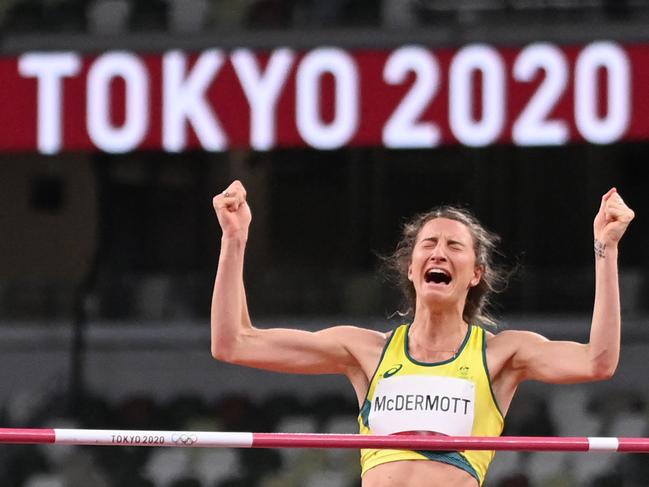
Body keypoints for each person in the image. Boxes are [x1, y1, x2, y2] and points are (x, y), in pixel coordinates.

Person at [210, 180, 635, 487]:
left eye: (454, 247)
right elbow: (234, 342)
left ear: (476, 274)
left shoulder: (501, 355)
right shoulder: (365, 352)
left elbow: (597, 361)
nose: (438, 252)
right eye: (428, 244)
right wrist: (234, 239)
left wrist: (606, 249)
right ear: (412, 269)